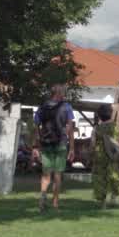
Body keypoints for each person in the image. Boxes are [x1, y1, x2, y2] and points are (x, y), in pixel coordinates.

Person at [33, 84, 75, 212]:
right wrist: (72, 148)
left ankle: (42, 197)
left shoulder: (42, 107)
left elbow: (36, 127)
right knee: (57, 176)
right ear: (59, 93)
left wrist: (36, 145)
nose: (64, 95)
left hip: (46, 144)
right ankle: (55, 204)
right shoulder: (66, 107)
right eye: (63, 92)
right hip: (60, 144)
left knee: (46, 175)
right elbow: (70, 129)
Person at [91, 103, 119, 208]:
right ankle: (114, 197)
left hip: (100, 156)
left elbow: (92, 145)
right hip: (114, 156)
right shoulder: (117, 126)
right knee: (114, 175)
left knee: (100, 178)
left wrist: (91, 155)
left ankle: (102, 203)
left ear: (99, 115)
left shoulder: (96, 129)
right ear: (111, 114)